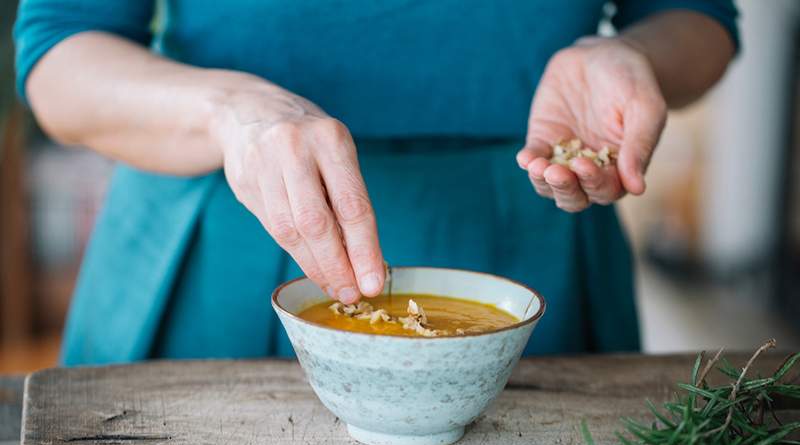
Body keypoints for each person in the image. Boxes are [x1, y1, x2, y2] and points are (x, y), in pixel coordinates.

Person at [13, 1, 737, 365]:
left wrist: (630, 57)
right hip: (224, 235)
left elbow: (699, 18)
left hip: (531, 228)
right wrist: (228, 112)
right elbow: (59, 58)